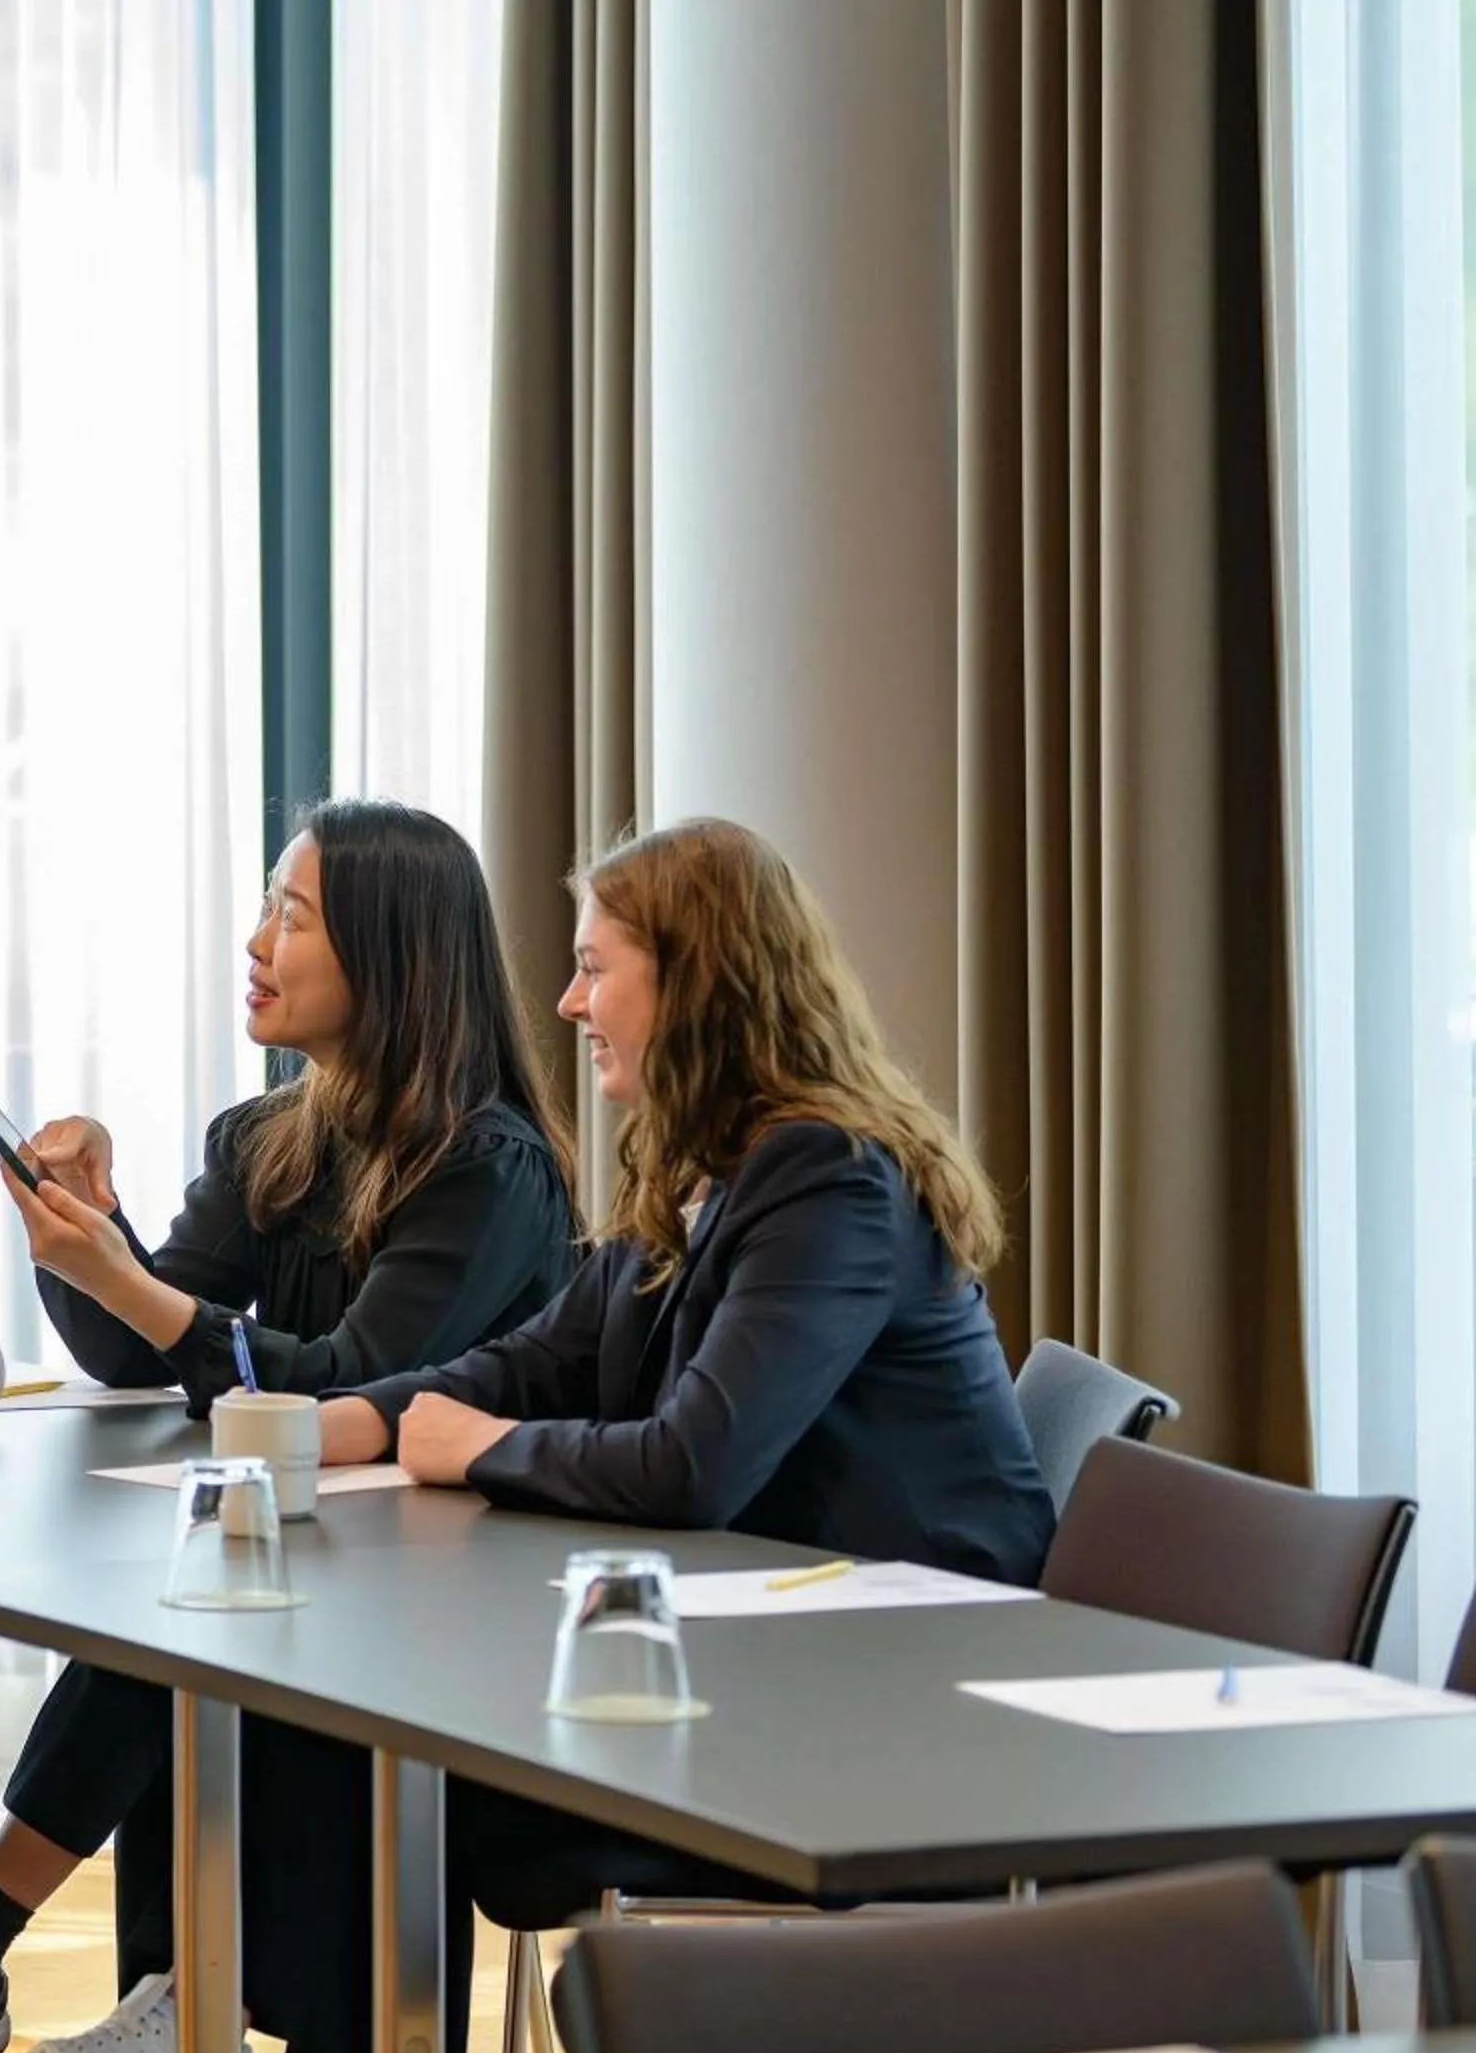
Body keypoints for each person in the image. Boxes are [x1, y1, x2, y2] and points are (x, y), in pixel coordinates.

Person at [0, 801, 580, 2053]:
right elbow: (148, 1349)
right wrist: (92, 1235)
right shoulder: (268, 1136)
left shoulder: (489, 1168)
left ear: (392, 957)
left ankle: (16, 1967)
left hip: (470, 1620)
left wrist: (132, 1283)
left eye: (292, 915)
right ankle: (161, 2018)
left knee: (205, 1623)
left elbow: (348, 1386)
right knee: (194, 1617)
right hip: (325, 1590)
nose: (255, 939)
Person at [315, 815, 1057, 1932]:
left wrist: (484, 1450)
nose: (568, 1005)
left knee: (413, 1772)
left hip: (891, 1705)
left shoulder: (831, 1180)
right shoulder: (708, 1163)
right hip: (770, 1655)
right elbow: (542, 1356)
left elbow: (694, 1466)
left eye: (592, 969)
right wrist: (353, 1423)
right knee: (365, 1743)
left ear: (695, 983)